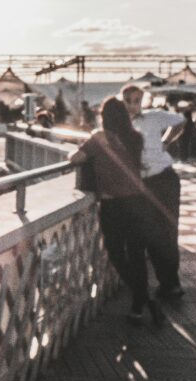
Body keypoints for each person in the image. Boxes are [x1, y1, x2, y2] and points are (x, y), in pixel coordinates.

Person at [70, 97, 166, 327]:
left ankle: (143, 298)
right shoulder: (136, 138)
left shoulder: (99, 138)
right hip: (139, 201)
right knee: (136, 255)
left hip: (113, 204)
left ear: (103, 117)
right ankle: (138, 306)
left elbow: (75, 159)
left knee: (116, 254)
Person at [121, 84, 186, 301]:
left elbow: (180, 121)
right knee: (149, 233)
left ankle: (171, 284)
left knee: (167, 231)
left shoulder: (154, 117)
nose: (133, 105)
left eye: (137, 100)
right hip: (142, 184)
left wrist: (166, 141)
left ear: (143, 101)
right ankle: (158, 282)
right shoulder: (119, 125)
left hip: (164, 180)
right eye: (128, 100)